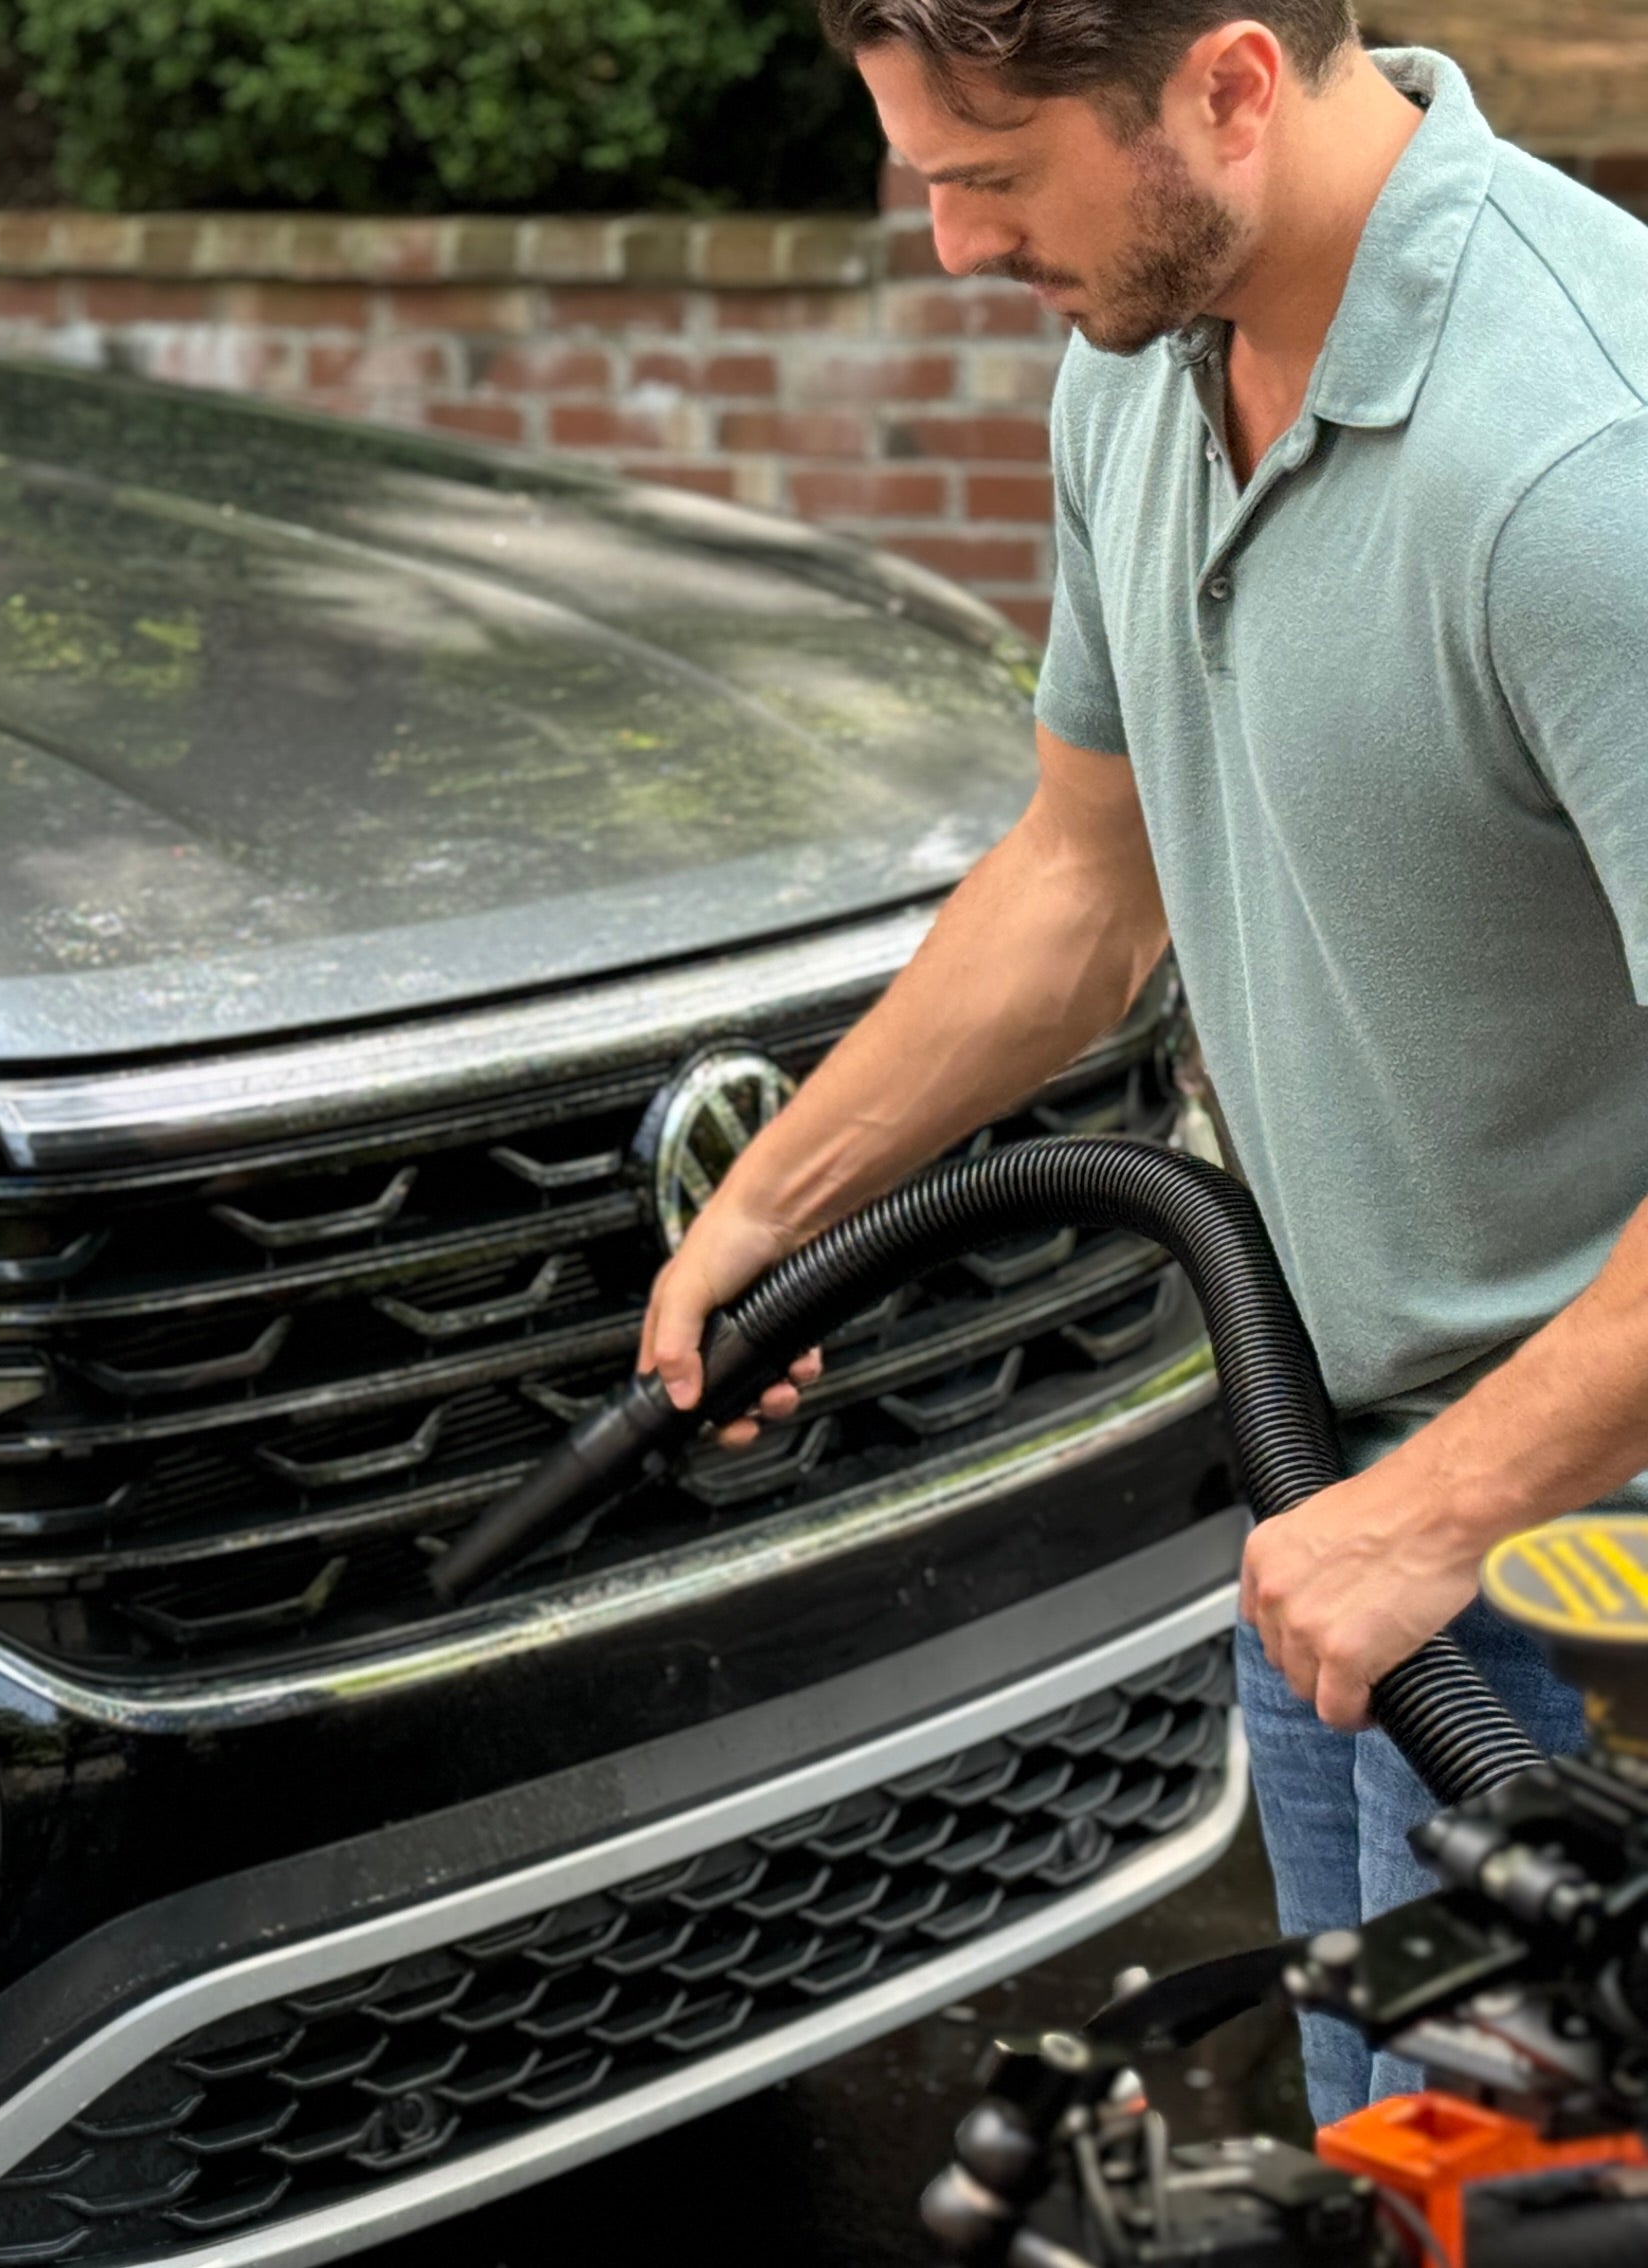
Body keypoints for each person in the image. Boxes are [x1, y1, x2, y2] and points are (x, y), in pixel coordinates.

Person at [645, 0, 1648, 2121]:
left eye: (991, 175)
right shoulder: (1146, 376)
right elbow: (1085, 884)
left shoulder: (1584, 459)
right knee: (1371, 2150)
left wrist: (1440, 1511)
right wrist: (772, 1203)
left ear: (1232, 84)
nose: (949, 245)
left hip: (1584, 1564)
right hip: (1337, 1495)